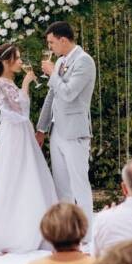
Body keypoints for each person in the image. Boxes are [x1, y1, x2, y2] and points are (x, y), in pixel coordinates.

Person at [0, 43, 57, 253]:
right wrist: (26, 84)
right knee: (14, 173)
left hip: (21, 131)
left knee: (30, 173)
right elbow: (20, 111)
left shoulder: (7, 82)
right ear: (6, 61)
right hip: (15, 133)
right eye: (17, 59)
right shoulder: (1, 83)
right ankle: (14, 230)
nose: (20, 62)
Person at [38, 21, 97, 226]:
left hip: (75, 132)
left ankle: (87, 235)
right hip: (57, 132)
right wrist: (41, 128)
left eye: (51, 43)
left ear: (63, 40)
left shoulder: (84, 61)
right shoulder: (62, 61)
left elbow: (69, 93)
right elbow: (52, 95)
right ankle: (66, 231)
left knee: (79, 185)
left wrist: (53, 73)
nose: (50, 48)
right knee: (62, 186)